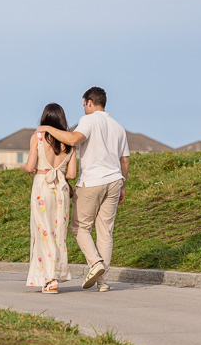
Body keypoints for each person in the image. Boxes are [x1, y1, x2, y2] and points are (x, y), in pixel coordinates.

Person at [37, 86, 129, 292]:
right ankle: (102, 282)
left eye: (84, 105)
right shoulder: (118, 127)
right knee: (105, 232)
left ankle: (95, 263)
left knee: (80, 227)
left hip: (93, 181)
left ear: (89, 103)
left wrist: (47, 129)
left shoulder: (88, 120)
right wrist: (123, 185)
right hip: (115, 180)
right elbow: (125, 161)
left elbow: (73, 139)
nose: (84, 109)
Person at [23, 103, 77, 294]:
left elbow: (30, 166)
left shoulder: (37, 137)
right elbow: (71, 174)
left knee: (43, 232)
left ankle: (49, 279)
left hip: (42, 186)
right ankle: (56, 275)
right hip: (61, 189)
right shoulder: (70, 143)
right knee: (58, 234)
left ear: (44, 118)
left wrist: (26, 168)